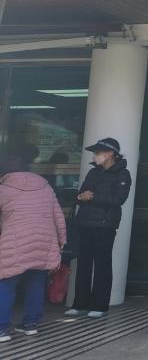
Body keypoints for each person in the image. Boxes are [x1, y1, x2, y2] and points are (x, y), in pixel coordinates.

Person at [0, 156, 67, 342]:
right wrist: (62, 241)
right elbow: (58, 216)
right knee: (36, 283)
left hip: (14, 243)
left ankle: (2, 329)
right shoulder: (46, 187)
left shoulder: (4, 189)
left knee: (6, 284)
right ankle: (30, 325)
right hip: (44, 242)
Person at [65, 138, 132, 319]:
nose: (95, 156)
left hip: (105, 225)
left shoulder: (123, 174)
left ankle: (100, 305)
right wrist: (81, 197)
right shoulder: (93, 172)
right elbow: (80, 196)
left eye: (98, 152)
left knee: (102, 265)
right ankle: (80, 304)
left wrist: (92, 197)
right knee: (83, 264)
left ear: (110, 154)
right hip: (85, 223)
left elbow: (119, 200)